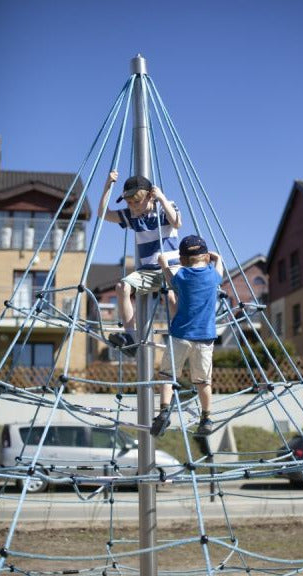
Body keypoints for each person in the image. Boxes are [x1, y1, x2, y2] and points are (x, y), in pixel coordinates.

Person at [98, 170, 182, 357]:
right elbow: (103, 214)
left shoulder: (164, 208)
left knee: (170, 297)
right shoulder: (132, 216)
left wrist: (161, 198)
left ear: (149, 196)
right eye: (129, 203)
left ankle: (180, 336)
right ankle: (131, 337)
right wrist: (107, 187)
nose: (133, 207)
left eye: (136, 202)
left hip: (171, 267)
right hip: (148, 271)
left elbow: (176, 223)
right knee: (122, 286)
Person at [150, 235, 223, 437]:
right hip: (205, 339)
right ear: (206, 257)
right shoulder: (212, 276)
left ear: (182, 260)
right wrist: (218, 258)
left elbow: (169, 279)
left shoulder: (182, 276)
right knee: (202, 381)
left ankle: (164, 411)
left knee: (167, 375)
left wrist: (164, 264)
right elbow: (220, 270)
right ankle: (206, 418)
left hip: (180, 336)